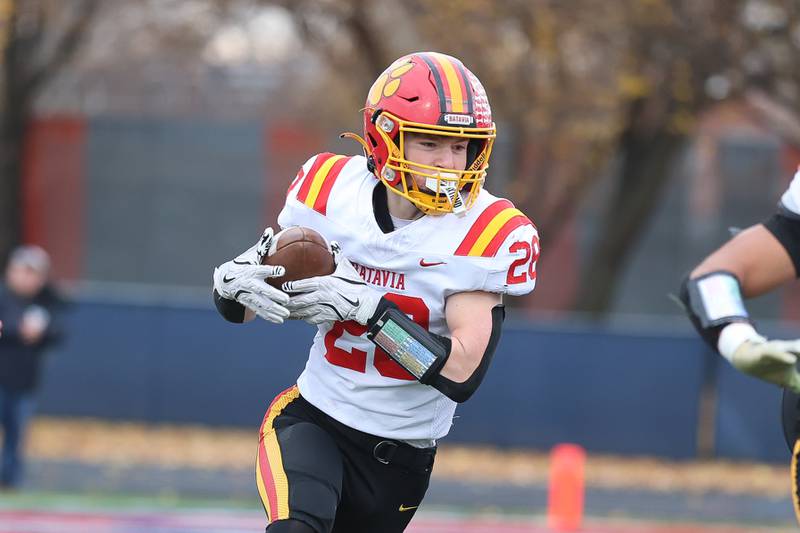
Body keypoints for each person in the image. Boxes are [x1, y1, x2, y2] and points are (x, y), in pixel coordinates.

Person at [212, 52, 539, 533]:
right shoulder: (330, 191)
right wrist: (230, 286)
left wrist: (369, 310)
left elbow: (462, 375)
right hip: (313, 420)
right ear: (384, 139)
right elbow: (242, 312)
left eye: (460, 147)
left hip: (397, 461)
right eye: (430, 143)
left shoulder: (485, 232)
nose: (450, 163)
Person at [0, 245, 64, 489]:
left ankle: (9, 479)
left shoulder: (46, 301)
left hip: (25, 380)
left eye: (34, 273)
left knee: (16, 434)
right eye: (23, 271)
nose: (28, 278)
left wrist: (42, 332)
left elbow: (59, 330)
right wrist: (18, 330)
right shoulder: (3, 297)